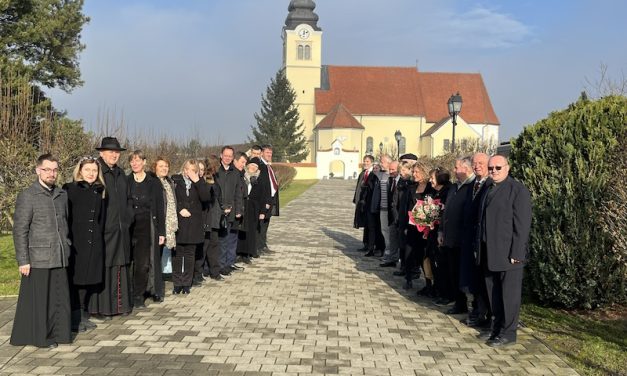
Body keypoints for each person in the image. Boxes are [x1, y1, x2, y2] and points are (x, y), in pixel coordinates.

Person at [11, 154, 72, 349]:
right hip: (38, 258)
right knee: (42, 302)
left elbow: (65, 223)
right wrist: (23, 260)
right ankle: (41, 337)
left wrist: (67, 244)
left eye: (55, 170)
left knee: (60, 299)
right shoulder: (27, 196)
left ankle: (61, 334)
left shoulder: (62, 195)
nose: (51, 173)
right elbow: (20, 230)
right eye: (47, 169)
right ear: (38, 170)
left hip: (60, 254)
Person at [476, 155, 532, 347]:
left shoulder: (518, 190)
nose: (493, 171)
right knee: (493, 294)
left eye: (498, 168)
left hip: (509, 254)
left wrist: (517, 253)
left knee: (509, 295)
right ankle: (497, 327)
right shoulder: (488, 188)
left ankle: (509, 333)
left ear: (507, 168)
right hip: (488, 251)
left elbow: (522, 226)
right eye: (491, 168)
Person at [90, 137, 133, 319]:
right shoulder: (96, 171)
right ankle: (102, 308)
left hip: (122, 229)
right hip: (104, 230)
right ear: (101, 153)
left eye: (116, 152)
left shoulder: (121, 174)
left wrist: (128, 217)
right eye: (110, 152)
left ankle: (119, 306)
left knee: (121, 266)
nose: (114, 155)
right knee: (104, 268)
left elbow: (128, 199)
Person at [63, 156, 106, 332]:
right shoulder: (69, 189)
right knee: (76, 280)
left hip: (93, 241)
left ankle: (82, 314)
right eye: (87, 170)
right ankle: (74, 317)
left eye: (94, 170)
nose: (91, 173)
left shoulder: (100, 190)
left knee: (88, 280)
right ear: (80, 171)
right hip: (76, 242)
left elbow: (100, 219)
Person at [127, 151, 165, 307]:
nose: (135, 164)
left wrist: (161, 232)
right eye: (132, 161)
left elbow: (159, 208)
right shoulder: (126, 180)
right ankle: (127, 294)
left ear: (144, 162)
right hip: (129, 226)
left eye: (138, 160)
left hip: (146, 226)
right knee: (129, 263)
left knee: (143, 264)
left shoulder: (153, 182)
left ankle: (138, 295)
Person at [437, 157, 474, 313]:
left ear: (465, 168)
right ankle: (459, 303)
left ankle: (471, 305)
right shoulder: (454, 187)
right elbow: (446, 210)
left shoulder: (472, 187)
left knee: (464, 274)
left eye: (456, 167)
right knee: (453, 272)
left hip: (463, 239)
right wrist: (441, 231)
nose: (454, 170)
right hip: (450, 237)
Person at [461, 152, 492, 328]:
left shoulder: (490, 185)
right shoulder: (473, 184)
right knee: (473, 277)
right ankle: (477, 311)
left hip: (483, 240)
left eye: (481, 163)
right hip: (469, 238)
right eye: (475, 163)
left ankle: (484, 314)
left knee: (482, 279)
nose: (477, 166)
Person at [171, 159, 210, 294]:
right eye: (189, 169)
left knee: (189, 255)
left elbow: (205, 198)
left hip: (194, 224)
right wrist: (179, 209)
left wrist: (197, 181)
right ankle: (177, 283)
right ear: (184, 169)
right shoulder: (175, 182)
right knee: (177, 254)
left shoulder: (200, 183)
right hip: (179, 224)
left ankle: (186, 283)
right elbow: (171, 200)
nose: (191, 173)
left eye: (194, 170)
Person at [209, 146, 244, 278]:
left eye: (230, 156)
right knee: (217, 240)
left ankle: (225, 265)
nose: (228, 158)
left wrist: (238, 210)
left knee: (227, 239)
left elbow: (238, 193)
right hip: (217, 210)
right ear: (221, 155)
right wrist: (221, 207)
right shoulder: (215, 171)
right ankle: (216, 266)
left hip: (231, 210)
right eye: (226, 155)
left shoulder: (235, 172)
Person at [153, 156, 177, 299]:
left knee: (162, 252)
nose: (164, 169)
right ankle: (155, 286)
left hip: (169, 223)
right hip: (158, 223)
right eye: (161, 166)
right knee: (155, 255)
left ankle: (159, 283)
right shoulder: (154, 182)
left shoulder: (169, 182)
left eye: (166, 166)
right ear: (154, 167)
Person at [426, 167, 451, 302]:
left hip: (442, 234)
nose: (430, 181)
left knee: (442, 265)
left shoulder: (447, 192)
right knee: (434, 262)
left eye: (432, 178)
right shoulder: (435, 192)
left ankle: (445, 293)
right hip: (433, 232)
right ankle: (437, 289)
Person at [257, 145, 279, 254]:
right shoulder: (260, 166)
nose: (269, 155)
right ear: (262, 153)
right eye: (267, 153)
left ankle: (263, 245)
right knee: (261, 224)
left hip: (270, 199)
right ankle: (259, 246)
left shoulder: (268, 166)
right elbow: (262, 186)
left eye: (270, 153)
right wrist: (265, 201)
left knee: (266, 223)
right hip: (263, 200)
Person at [380, 161, 400, 267]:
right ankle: (392, 259)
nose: (391, 171)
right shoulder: (391, 180)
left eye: (393, 169)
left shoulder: (401, 181)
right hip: (391, 213)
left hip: (398, 214)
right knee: (392, 237)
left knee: (397, 238)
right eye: (390, 169)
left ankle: (396, 258)